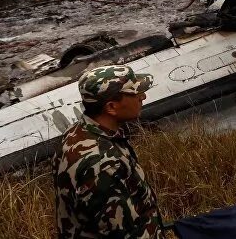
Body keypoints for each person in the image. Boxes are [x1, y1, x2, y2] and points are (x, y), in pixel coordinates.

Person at [54, 65, 163, 238]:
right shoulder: (103, 165)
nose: (143, 96)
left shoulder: (77, 132)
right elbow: (122, 233)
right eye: (135, 94)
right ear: (111, 107)